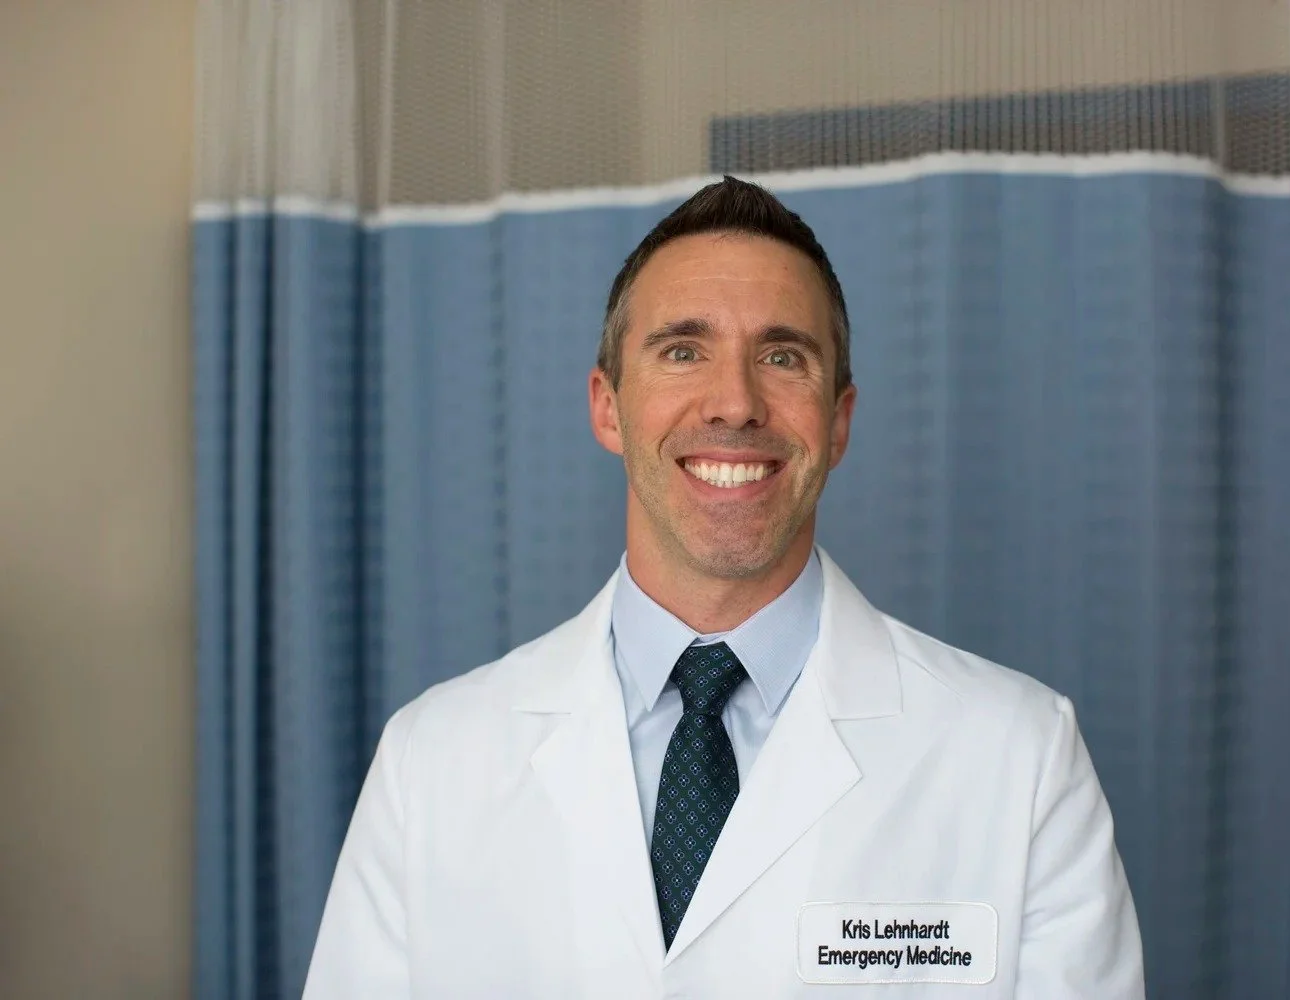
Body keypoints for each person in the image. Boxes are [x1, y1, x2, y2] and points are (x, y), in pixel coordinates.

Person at [304, 177, 1145, 998]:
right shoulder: (431, 763)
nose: (736, 403)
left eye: (783, 356)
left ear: (840, 421)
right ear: (607, 407)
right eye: (682, 350)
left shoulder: (1020, 757)